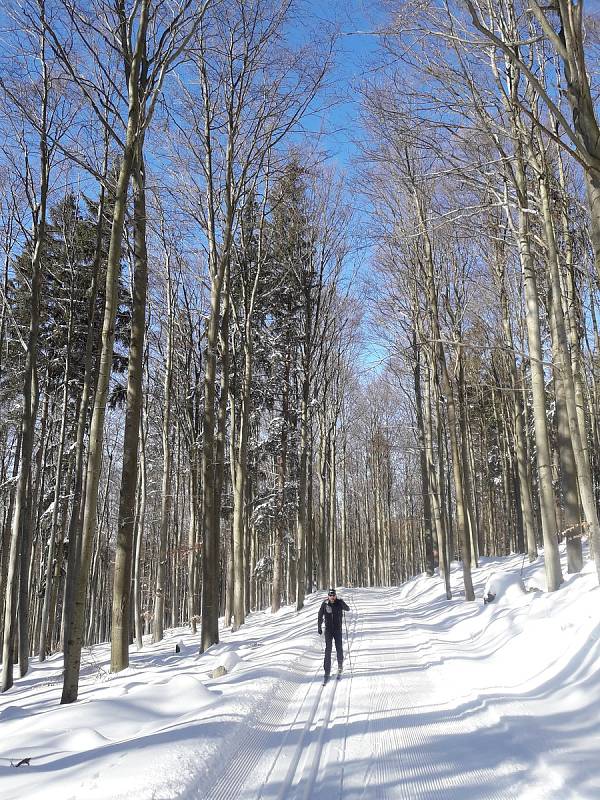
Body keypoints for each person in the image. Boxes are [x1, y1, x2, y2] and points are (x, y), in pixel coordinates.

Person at [318, 588, 349, 682]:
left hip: (337, 630)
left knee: (339, 648)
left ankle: (340, 666)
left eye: (333, 595)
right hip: (328, 630)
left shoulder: (339, 603)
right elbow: (320, 615)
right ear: (328, 596)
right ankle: (327, 671)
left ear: (335, 596)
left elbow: (347, 609)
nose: (332, 597)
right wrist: (319, 627)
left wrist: (343, 603)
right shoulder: (325, 604)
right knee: (328, 649)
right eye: (330, 595)